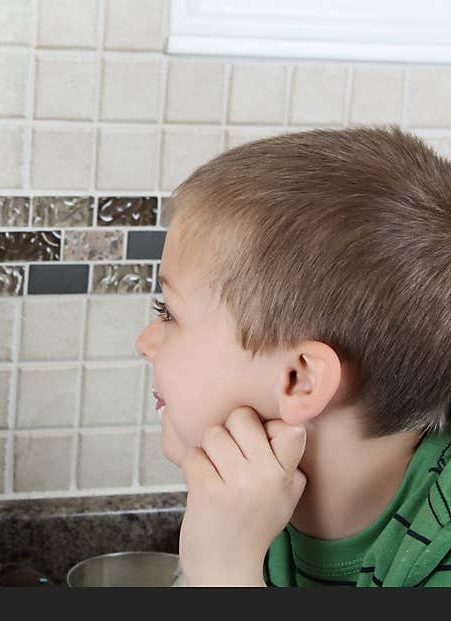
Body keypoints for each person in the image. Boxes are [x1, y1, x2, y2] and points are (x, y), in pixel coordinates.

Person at [136, 127, 451, 586]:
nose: (145, 341)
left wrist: (223, 574)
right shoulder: (243, 496)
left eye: (169, 313)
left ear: (299, 380)